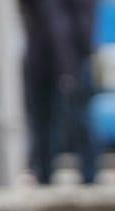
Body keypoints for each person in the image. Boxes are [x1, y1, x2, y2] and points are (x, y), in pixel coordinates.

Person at [20, 0, 98, 185]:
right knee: (58, 121)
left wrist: (66, 67)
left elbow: (58, 23)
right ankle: (82, 174)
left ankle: (50, 174)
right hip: (64, 59)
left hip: (58, 59)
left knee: (65, 121)